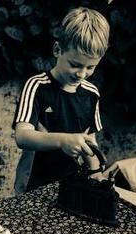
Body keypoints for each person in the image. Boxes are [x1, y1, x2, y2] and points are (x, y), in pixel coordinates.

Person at [12, 7, 110, 193]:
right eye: (75, 65)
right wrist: (62, 140)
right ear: (58, 50)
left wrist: (95, 171)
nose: (82, 74)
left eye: (90, 67)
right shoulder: (36, 86)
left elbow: (90, 139)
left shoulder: (91, 93)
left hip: (73, 182)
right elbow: (22, 136)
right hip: (34, 183)